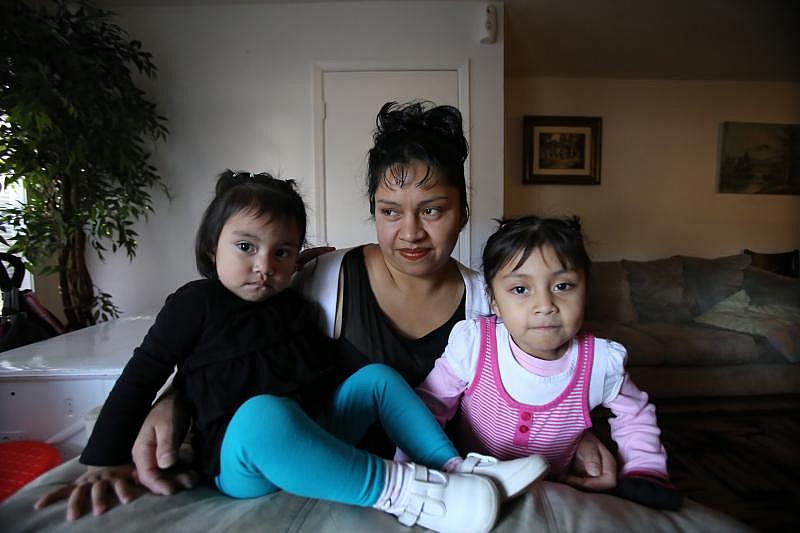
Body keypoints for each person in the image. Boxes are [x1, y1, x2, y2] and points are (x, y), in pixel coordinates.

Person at [130, 101, 617, 497]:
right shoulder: (321, 277)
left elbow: (542, 377)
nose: (410, 233)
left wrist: (580, 436)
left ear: (462, 212)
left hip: (441, 476)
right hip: (315, 472)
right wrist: (174, 400)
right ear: (374, 212)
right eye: (390, 211)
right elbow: (235, 345)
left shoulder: (490, 304)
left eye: (432, 210)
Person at [34, 171, 550, 532]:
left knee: (377, 377)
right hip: (242, 460)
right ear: (211, 245)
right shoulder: (195, 304)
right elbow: (142, 373)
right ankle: (412, 495)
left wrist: (299, 267)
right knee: (263, 413)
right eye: (245, 247)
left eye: (282, 252)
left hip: (316, 432)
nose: (264, 265)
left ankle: (454, 470)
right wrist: (102, 458)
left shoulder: (296, 304)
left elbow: (322, 371)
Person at [406, 215, 683, 510]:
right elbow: (431, 404)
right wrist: (416, 466)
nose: (545, 305)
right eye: (521, 290)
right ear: (494, 301)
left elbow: (635, 415)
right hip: (470, 486)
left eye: (563, 286)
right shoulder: (475, 345)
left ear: (585, 290)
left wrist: (645, 468)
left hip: (554, 493)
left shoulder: (601, 363)